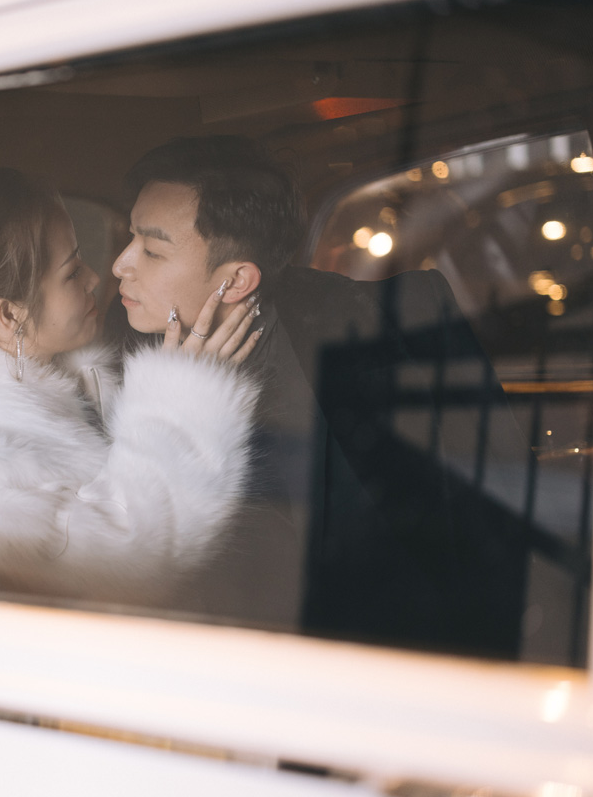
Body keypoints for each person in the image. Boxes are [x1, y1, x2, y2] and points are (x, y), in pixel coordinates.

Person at [109, 137, 530, 658]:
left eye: (151, 250)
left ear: (238, 279)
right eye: (131, 238)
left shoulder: (375, 333)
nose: (120, 264)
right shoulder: (103, 362)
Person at [0, 168, 262, 606]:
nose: (96, 278)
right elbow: (126, 568)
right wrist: (183, 406)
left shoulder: (70, 375)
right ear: (10, 316)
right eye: (71, 271)